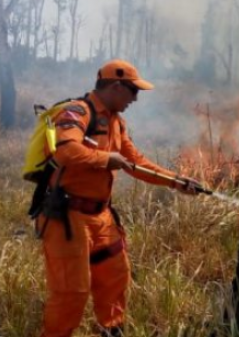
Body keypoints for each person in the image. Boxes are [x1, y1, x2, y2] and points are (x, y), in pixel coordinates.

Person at [36, 59, 203, 337]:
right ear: (116, 86)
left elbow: (135, 162)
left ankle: (111, 332)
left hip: (101, 218)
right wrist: (105, 158)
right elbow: (64, 152)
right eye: (133, 91)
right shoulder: (75, 112)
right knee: (72, 293)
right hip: (67, 217)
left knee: (115, 278)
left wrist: (177, 181)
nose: (135, 99)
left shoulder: (117, 123)